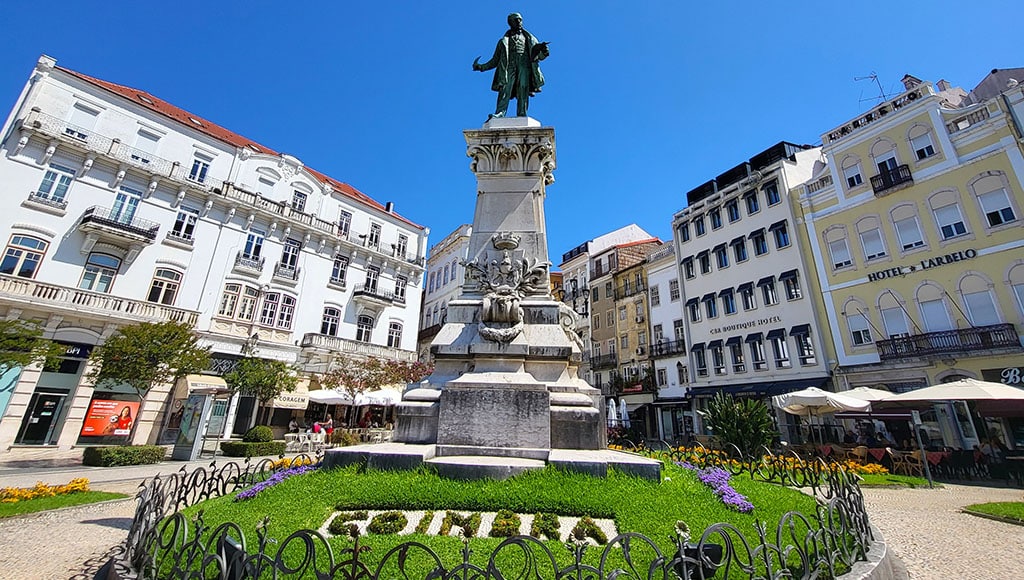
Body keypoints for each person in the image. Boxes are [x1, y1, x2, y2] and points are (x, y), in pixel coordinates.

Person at [472, 12, 550, 118]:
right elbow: (495, 60)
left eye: (520, 20)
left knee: (523, 89)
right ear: (510, 23)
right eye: (516, 20)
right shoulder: (503, 41)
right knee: (505, 89)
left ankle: (522, 113)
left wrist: (544, 52)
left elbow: (538, 56)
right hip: (509, 67)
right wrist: (482, 67)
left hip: (524, 65)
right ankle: (500, 113)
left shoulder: (530, 38)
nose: (519, 22)